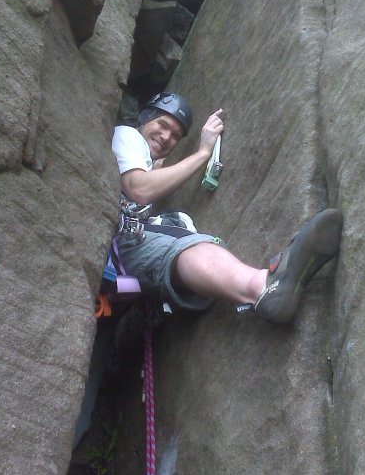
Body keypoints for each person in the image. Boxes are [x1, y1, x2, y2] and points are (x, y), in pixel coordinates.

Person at [111, 92, 343, 324]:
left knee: (176, 223)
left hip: (118, 269)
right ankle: (263, 287)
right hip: (117, 248)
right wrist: (203, 152)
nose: (166, 137)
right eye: (162, 125)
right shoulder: (128, 135)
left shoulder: (142, 159)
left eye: (175, 136)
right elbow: (139, 190)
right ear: (144, 119)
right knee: (182, 242)